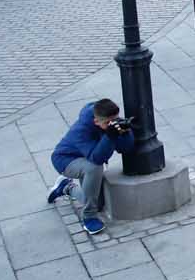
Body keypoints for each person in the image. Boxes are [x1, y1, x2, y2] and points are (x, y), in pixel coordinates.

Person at [47, 97, 136, 235]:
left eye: (115, 120)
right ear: (96, 121)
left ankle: (66, 187)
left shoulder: (108, 120)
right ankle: (89, 216)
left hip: (87, 158)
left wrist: (126, 132)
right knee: (94, 168)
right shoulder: (81, 130)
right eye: (108, 123)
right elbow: (97, 158)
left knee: (97, 203)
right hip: (66, 159)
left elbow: (125, 148)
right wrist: (110, 136)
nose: (113, 124)